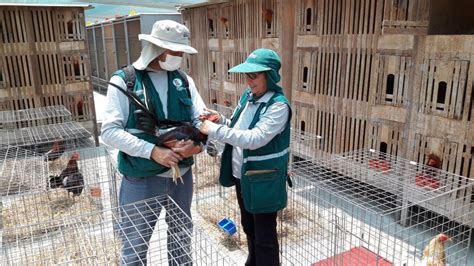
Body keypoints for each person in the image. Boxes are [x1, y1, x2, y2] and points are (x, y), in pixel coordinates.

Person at [101, 20, 205, 265]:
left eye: (181, 52)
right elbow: (109, 132)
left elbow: (200, 120)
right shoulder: (125, 81)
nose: (179, 57)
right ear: (156, 48)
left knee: (181, 237)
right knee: (135, 244)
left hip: (182, 177)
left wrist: (198, 145)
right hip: (142, 179)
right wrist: (152, 151)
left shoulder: (184, 81)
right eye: (174, 51)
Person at [199, 48, 292, 266]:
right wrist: (219, 119)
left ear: (269, 75)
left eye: (254, 76)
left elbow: (254, 138)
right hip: (244, 176)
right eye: (247, 76)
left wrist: (213, 130)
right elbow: (236, 127)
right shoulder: (248, 97)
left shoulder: (278, 105)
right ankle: (252, 261)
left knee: (265, 236)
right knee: (249, 226)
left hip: (264, 180)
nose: (249, 81)